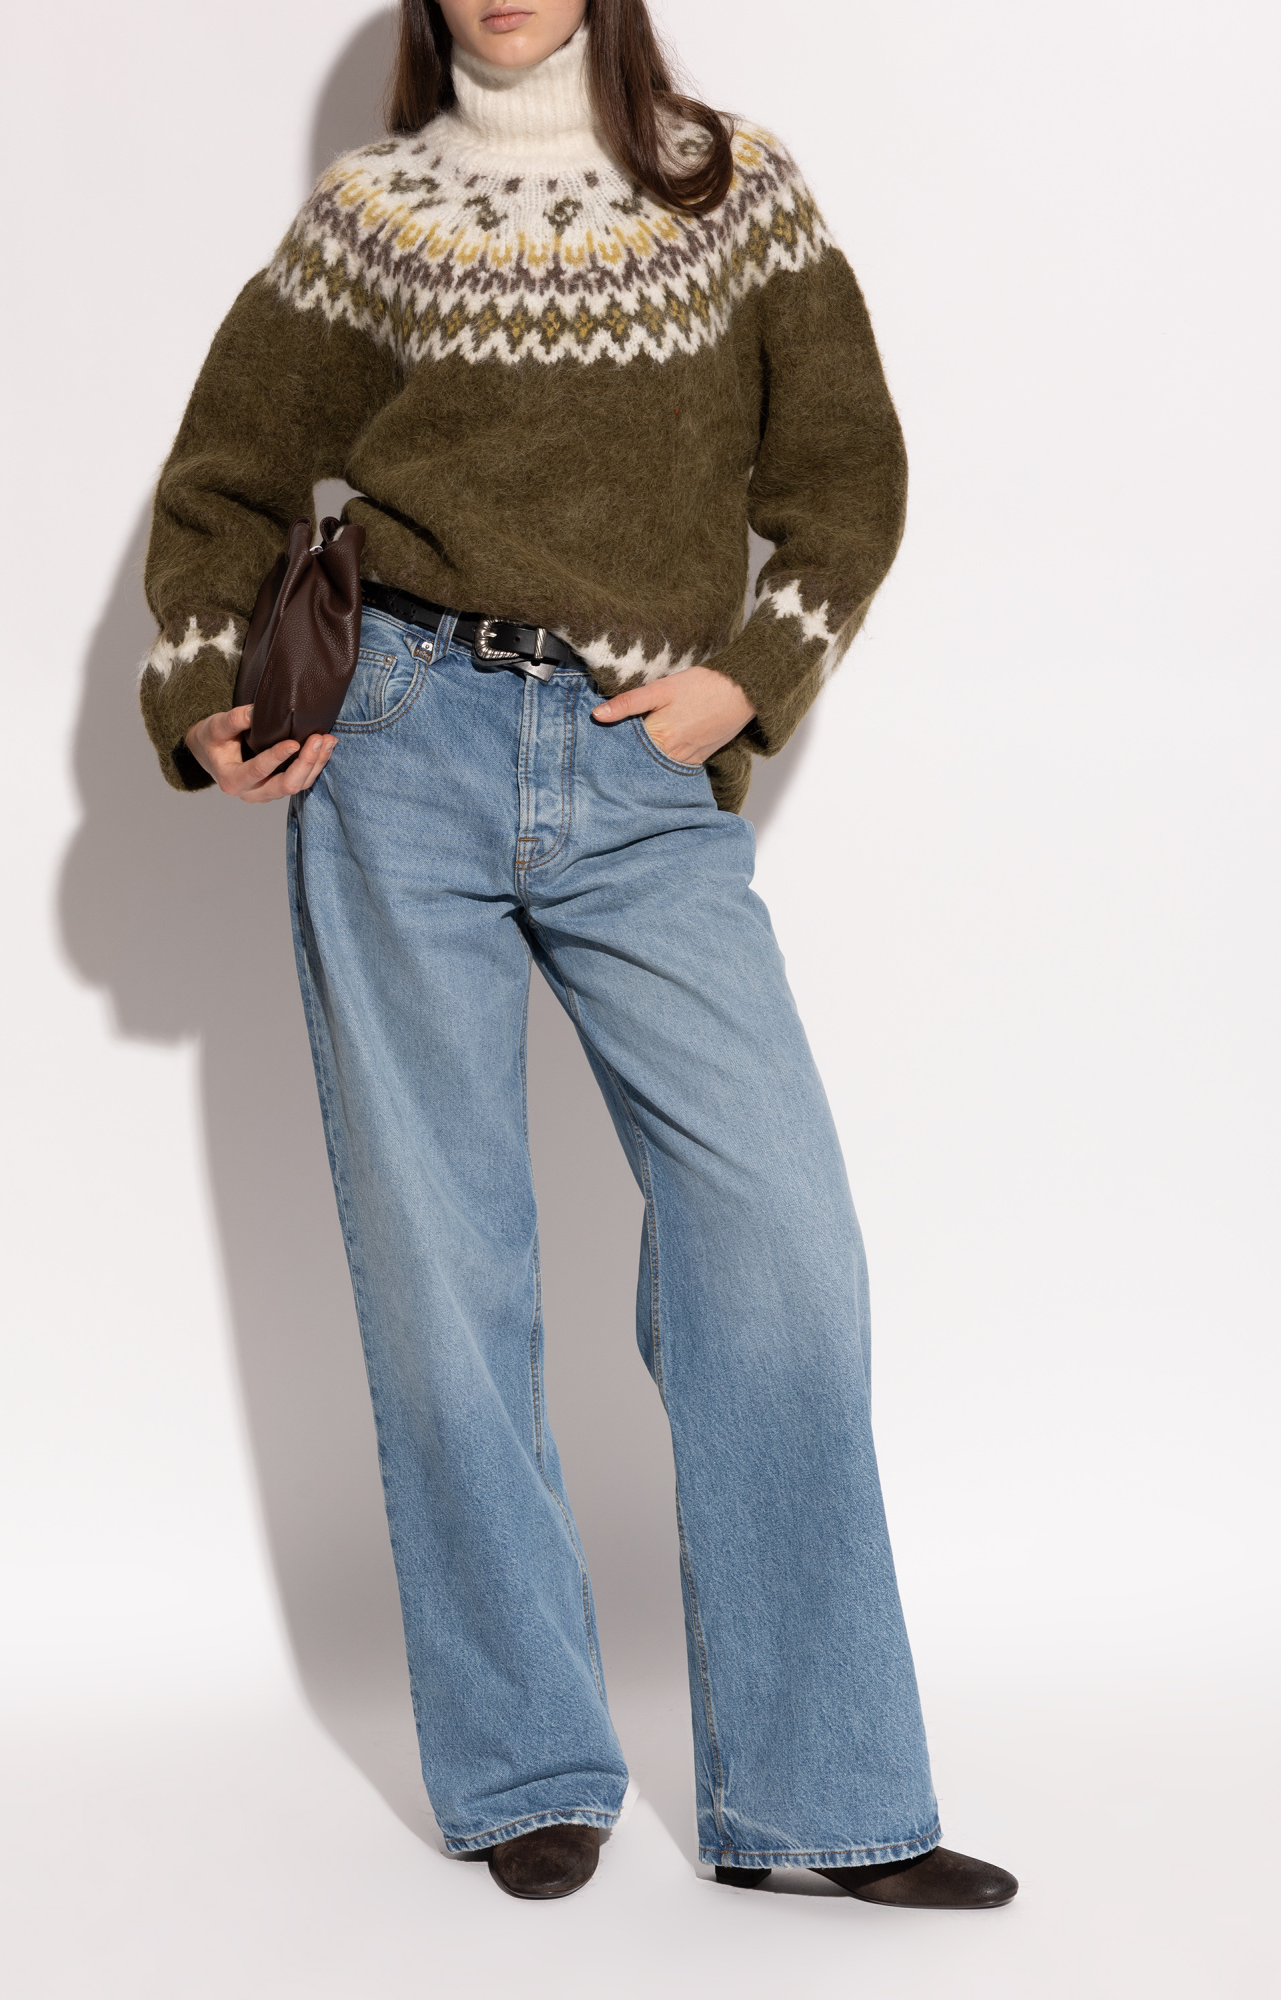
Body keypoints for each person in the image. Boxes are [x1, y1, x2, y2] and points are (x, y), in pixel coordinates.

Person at [139, 0, 1016, 1909]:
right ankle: (524, 1760)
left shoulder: (729, 188)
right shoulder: (372, 212)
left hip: (639, 770)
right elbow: (223, 479)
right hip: (396, 750)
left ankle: (824, 1795)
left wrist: (745, 679)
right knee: (442, 1263)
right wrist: (208, 690)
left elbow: (844, 477)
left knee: (775, 1238)